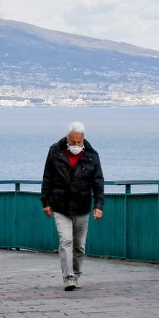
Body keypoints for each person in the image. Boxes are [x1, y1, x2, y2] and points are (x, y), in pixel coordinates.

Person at [40, 121, 105, 291]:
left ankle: (75, 275)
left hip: (82, 206)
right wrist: (45, 202)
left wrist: (99, 205)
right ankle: (68, 277)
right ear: (68, 138)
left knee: (79, 246)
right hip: (60, 205)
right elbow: (47, 177)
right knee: (66, 241)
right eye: (73, 141)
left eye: (79, 142)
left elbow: (98, 182)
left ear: (83, 139)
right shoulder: (55, 151)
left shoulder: (92, 155)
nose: (76, 145)